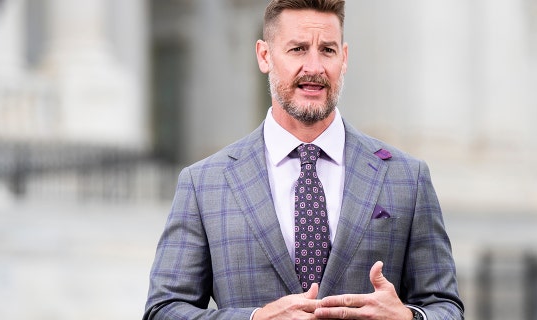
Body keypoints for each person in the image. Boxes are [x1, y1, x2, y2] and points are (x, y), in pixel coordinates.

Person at [143, 0, 464, 319]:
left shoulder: (406, 176)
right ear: (265, 55)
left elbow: (445, 307)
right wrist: (254, 319)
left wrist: (409, 318)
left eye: (327, 50)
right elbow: (163, 311)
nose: (314, 67)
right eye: (297, 49)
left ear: (345, 57)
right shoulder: (204, 183)